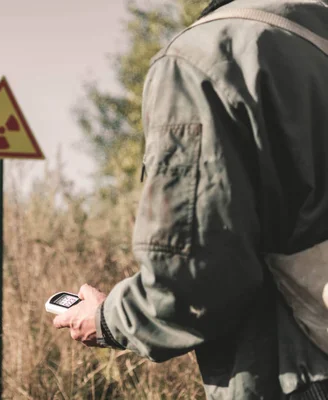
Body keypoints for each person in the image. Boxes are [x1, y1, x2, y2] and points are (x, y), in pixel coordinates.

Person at [53, 0, 328, 399]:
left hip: (296, 376)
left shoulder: (203, 60)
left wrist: (106, 316)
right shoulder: (314, 32)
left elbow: (194, 284)